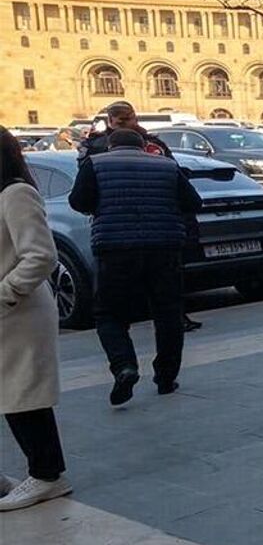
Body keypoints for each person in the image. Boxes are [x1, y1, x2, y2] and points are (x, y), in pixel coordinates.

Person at [67, 129, 200, 405]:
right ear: (144, 146)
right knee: (168, 313)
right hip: (164, 247)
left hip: (115, 248)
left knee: (109, 314)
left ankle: (124, 366)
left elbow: (78, 201)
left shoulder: (96, 164)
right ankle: (165, 377)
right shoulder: (168, 165)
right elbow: (192, 202)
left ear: (110, 145)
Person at [0, 129, 70, 510]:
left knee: (23, 393)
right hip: (10, 312)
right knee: (9, 392)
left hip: (18, 312)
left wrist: (5, 293)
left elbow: (41, 255)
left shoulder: (15, 193)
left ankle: (47, 475)